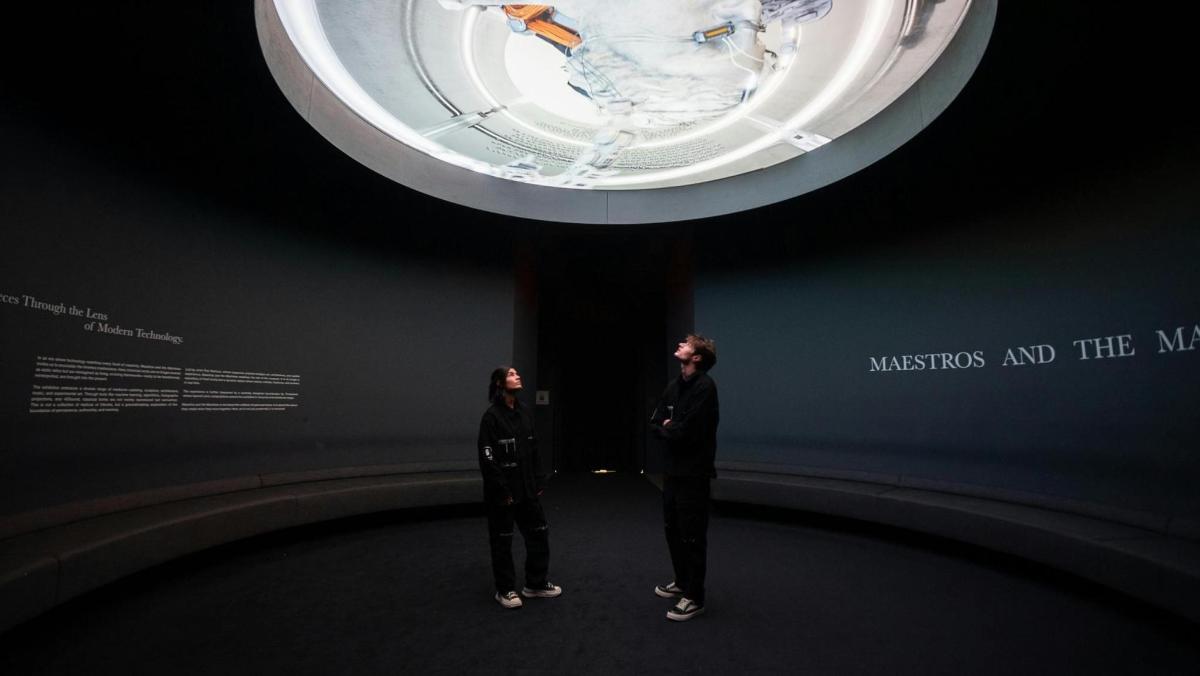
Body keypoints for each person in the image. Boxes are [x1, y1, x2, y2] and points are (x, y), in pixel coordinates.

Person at [478, 365, 561, 609]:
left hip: (527, 491)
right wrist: (501, 490)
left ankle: (535, 584)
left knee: (539, 534)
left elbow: (534, 449)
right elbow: (488, 458)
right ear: (500, 384)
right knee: (502, 542)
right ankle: (505, 590)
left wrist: (539, 481)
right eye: (512, 374)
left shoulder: (524, 413)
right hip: (503, 495)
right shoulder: (491, 418)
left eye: (517, 373)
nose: (518, 376)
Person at [649, 334, 719, 621]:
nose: (679, 344)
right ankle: (681, 581)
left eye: (686, 344)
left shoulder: (705, 388)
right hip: (673, 473)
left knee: (692, 535)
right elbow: (655, 423)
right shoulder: (673, 386)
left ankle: (694, 596)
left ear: (697, 357)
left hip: (694, 475)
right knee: (672, 529)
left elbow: (684, 432)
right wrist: (669, 425)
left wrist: (671, 426)